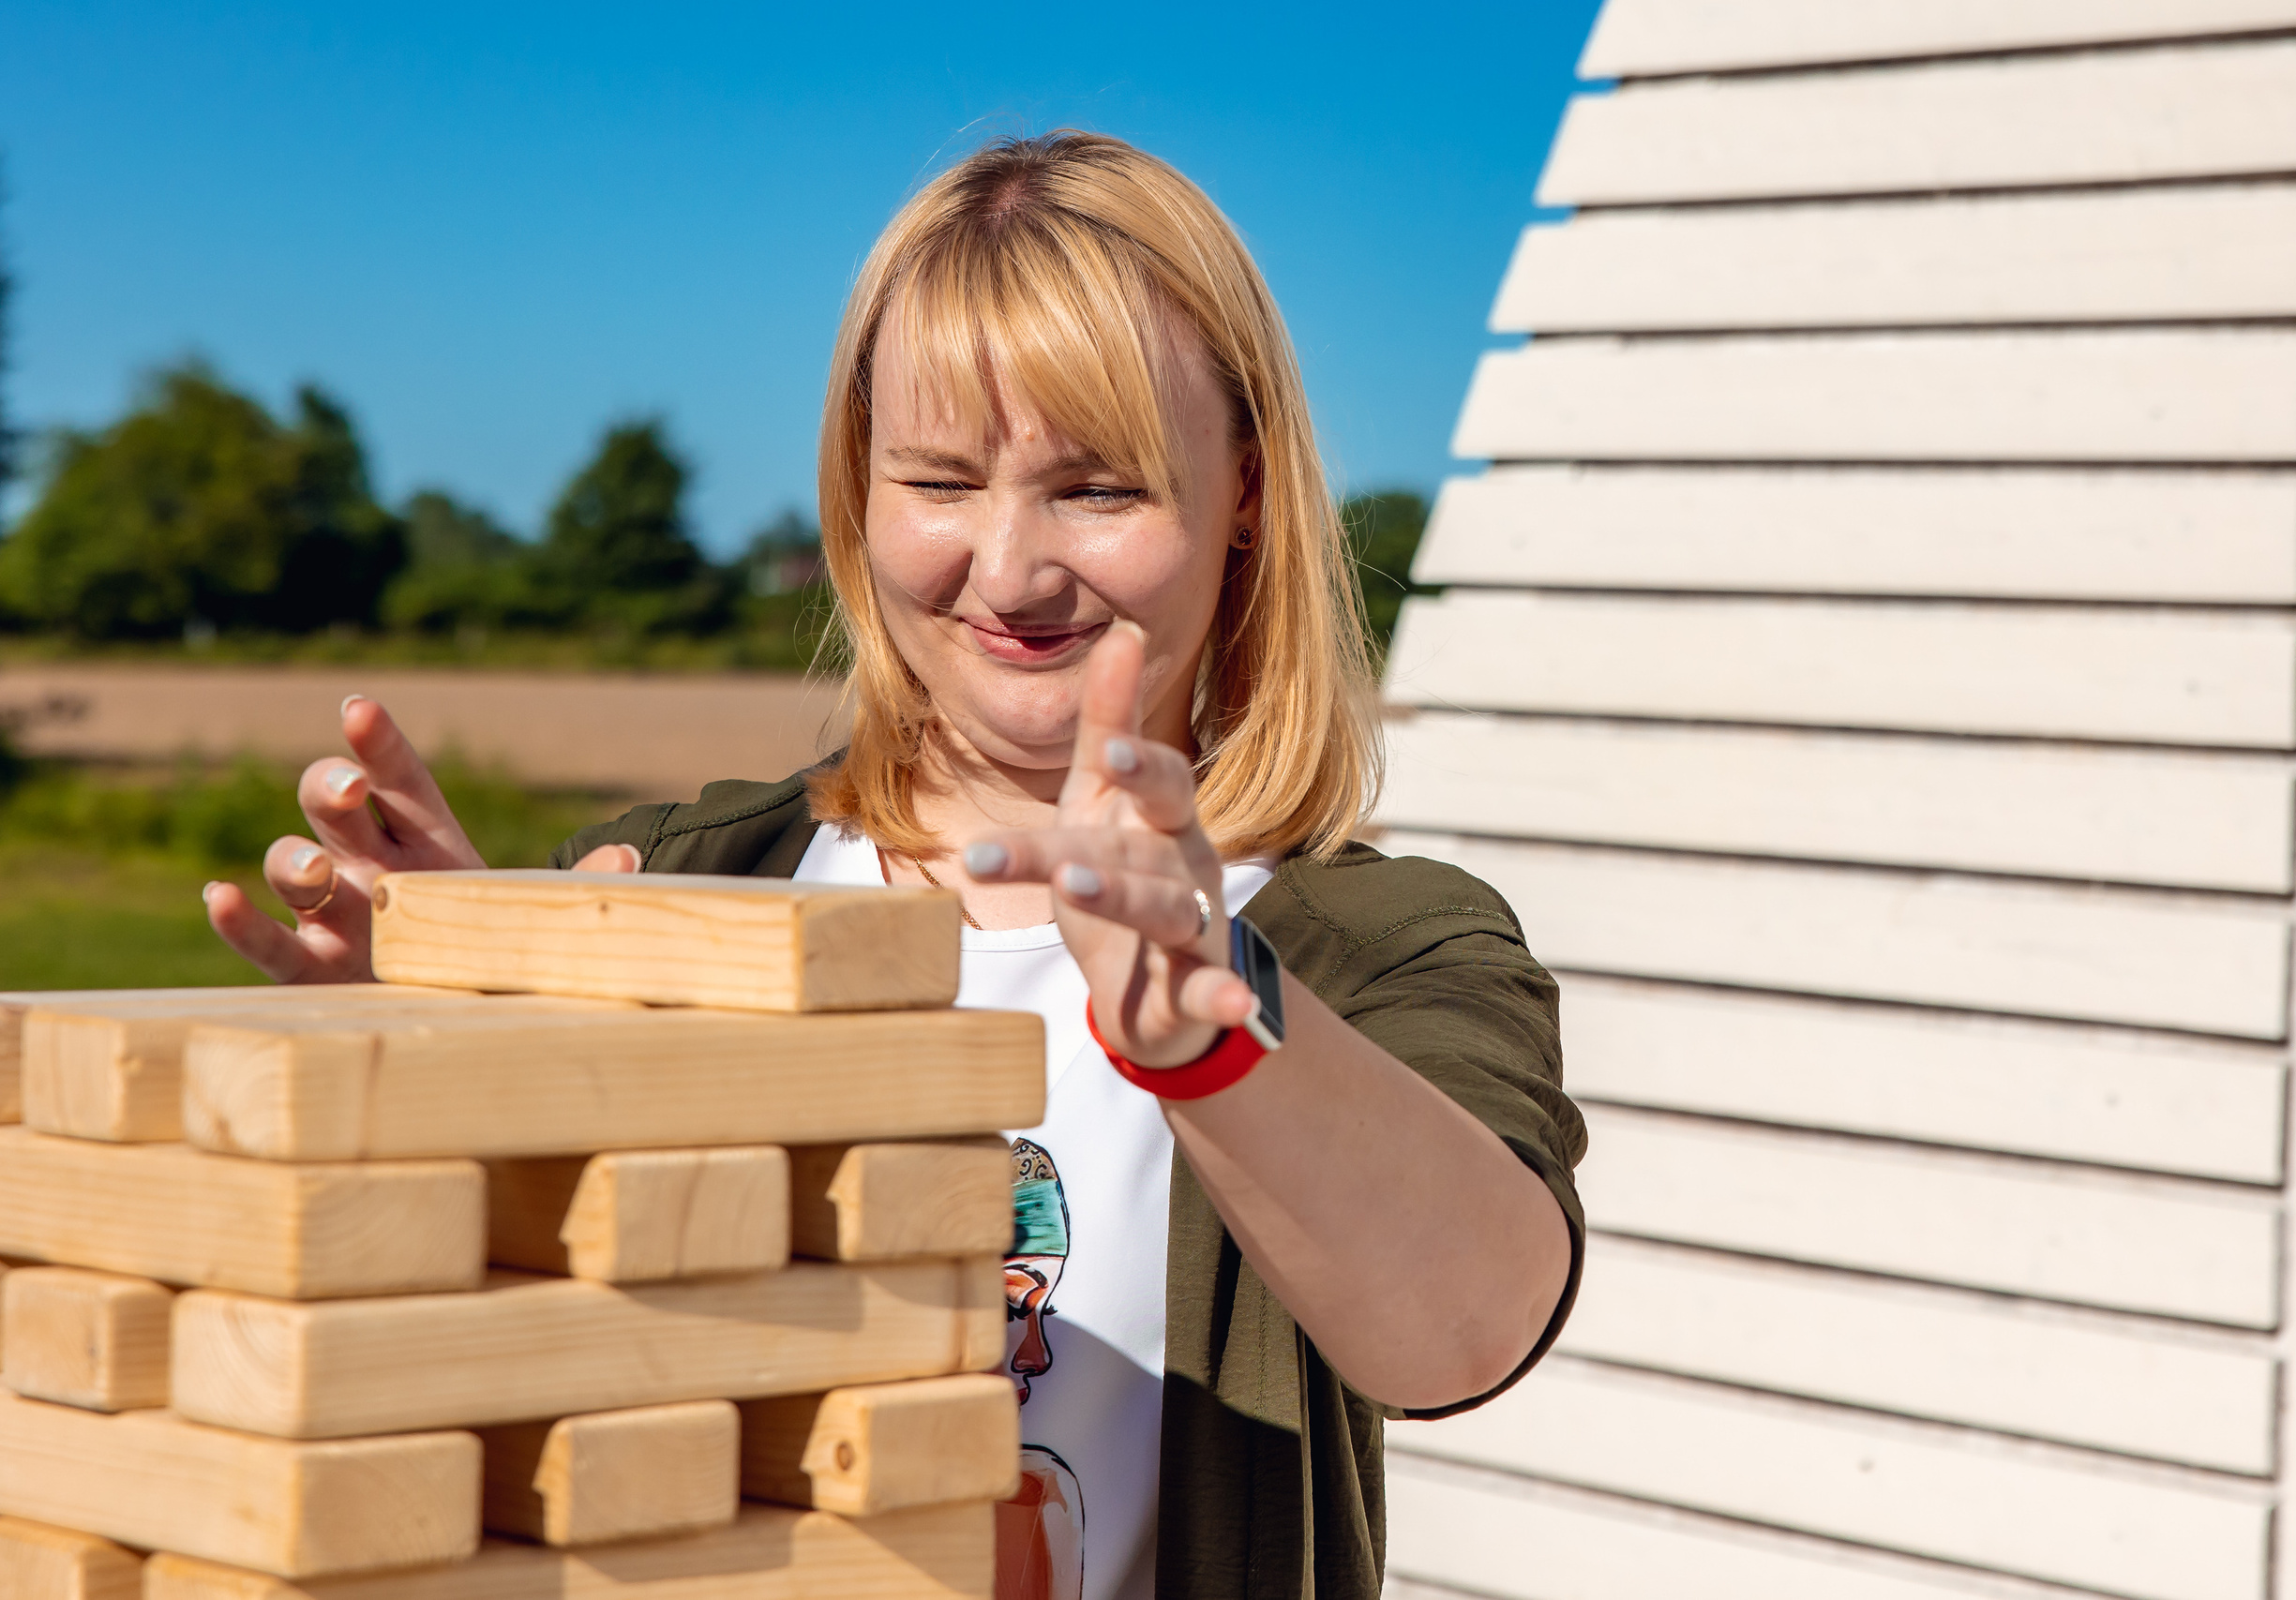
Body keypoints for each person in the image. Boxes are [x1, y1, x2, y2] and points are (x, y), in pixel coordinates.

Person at [204, 131, 1584, 1600]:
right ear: (857, 484)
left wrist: (1215, 1036)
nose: (1010, 571)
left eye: (1097, 489)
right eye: (940, 480)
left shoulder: (1378, 941)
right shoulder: (688, 880)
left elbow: (1463, 1332)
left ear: (1245, 490)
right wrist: (429, 1076)